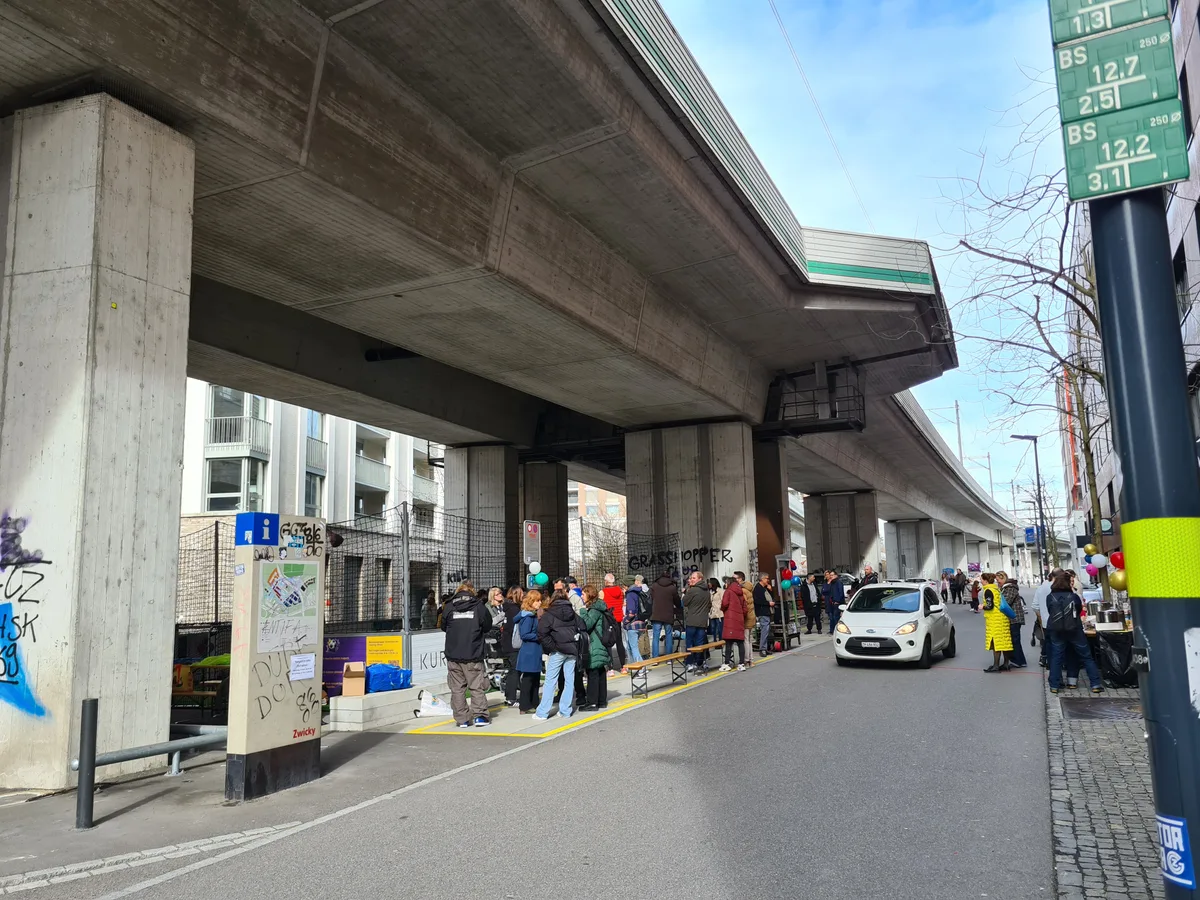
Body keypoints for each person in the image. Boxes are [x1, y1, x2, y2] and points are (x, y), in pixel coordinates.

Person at [440, 580, 495, 728]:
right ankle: (480, 717)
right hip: (473, 652)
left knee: (457, 689)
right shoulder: (478, 606)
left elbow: (443, 626)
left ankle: (462, 719)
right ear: (472, 592)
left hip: (453, 654)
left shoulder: (449, 606)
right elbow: (487, 625)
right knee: (476, 686)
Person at [1045, 570, 1104, 694]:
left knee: (1056, 657)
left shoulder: (1050, 597)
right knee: (1086, 657)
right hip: (1074, 629)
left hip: (1056, 630)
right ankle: (1095, 684)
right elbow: (1077, 610)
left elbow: (1050, 611)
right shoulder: (1073, 597)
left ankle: (1054, 686)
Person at [534, 590, 581, 720]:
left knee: (550, 681)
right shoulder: (572, 612)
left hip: (558, 649)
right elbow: (582, 625)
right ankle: (565, 710)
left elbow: (541, 632)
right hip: (571, 648)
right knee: (569, 680)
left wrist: (551, 647)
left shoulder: (549, 613)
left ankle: (543, 712)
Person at [579, 585, 612, 711]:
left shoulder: (594, 609)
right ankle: (601, 700)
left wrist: (582, 611)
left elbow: (587, 625)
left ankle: (592, 702)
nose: (582, 596)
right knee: (600, 671)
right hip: (600, 642)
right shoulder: (599, 607)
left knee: (592, 671)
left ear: (589, 595)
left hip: (594, 644)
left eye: (583, 594)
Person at [513, 590, 544, 713]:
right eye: (537, 600)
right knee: (528, 679)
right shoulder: (528, 617)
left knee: (534, 679)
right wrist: (539, 636)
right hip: (530, 650)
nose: (540, 602)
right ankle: (525, 705)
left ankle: (533, 702)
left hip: (533, 650)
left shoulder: (530, 615)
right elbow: (525, 634)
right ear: (531, 602)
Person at [979, 572, 1013, 672]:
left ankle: (996, 665)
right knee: (1004, 643)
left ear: (985, 580)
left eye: (981, 579)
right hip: (1002, 618)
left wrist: (982, 606)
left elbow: (990, 606)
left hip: (995, 619)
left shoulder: (988, 590)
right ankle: (1006, 664)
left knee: (996, 643)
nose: (980, 581)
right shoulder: (996, 589)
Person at [682, 571, 712, 672]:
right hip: (702, 621)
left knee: (690, 643)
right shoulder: (707, 591)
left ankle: (690, 662)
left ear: (700, 579)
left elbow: (684, 602)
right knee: (700, 643)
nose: (691, 579)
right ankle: (699, 662)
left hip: (692, 620)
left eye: (694, 578)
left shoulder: (692, 590)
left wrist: (685, 593)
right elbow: (709, 605)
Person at [996, 571, 1027, 668]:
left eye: (998, 580)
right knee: (1015, 639)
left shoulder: (1009, 588)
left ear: (1003, 578)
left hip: (1014, 618)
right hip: (1014, 617)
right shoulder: (1008, 587)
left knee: (1015, 640)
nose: (997, 583)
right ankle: (1019, 660)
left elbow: (1006, 602)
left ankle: (1018, 661)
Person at [501, 586, 524, 707]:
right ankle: (511, 697)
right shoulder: (514, 610)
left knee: (512, 670)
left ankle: (510, 695)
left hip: (507, 643)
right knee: (515, 670)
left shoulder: (506, 608)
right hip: (513, 644)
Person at [719, 576, 748, 670]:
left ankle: (727, 663)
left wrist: (723, 610)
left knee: (729, 642)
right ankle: (741, 664)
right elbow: (745, 607)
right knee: (740, 642)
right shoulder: (740, 592)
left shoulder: (728, 591)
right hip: (739, 619)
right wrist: (741, 615)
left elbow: (724, 604)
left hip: (730, 619)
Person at [649, 572, 680, 657]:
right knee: (669, 635)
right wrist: (679, 607)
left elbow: (650, 599)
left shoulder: (654, 586)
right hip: (668, 614)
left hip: (656, 614)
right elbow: (677, 601)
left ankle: (655, 658)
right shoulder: (672, 587)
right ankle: (669, 658)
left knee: (656, 637)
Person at [602, 573, 627, 673]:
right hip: (618, 619)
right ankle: (623, 666)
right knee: (619, 642)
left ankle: (610, 668)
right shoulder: (620, 592)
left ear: (606, 582)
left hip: (608, 620)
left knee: (608, 643)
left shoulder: (603, 592)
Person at [623, 577, 645, 666]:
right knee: (631, 647)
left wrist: (625, 621)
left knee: (633, 648)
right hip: (641, 622)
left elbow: (631, 612)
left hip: (633, 624)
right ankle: (635, 666)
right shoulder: (639, 592)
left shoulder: (630, 594)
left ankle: (640, 668)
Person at [753, 573, 775, 657]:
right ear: (762, 579)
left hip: (767, 611)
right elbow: (758, 601)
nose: (768, 580)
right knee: (764, 631)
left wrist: (770, 590)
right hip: (762, 612)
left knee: (767, 630)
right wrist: (768, 603)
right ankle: (762, 649)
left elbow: (770, 597)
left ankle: (765, 648)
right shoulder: (758, 589)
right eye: (766, 578)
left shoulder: (764, 588)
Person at [738, 571, 755, 666]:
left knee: (745, 639)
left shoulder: (742, 590)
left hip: (746, 617)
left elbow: (743, 605)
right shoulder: (749, 588)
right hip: (751, 615)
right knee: (749, 639)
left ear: (740, 579)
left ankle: (747, 659)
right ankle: (750, 659)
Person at [822, 569, 845, 636]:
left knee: (836, 617)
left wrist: (838, 601)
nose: (831, 576)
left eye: (832, 575)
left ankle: (837, 631)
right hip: (832, 602)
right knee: (833, 617)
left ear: (836, 575)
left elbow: (841, 593)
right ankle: (833, 630)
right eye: (830, 575)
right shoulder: (832, 583)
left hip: (837, 603)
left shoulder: (838, 582)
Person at [707, 576, 724, 644]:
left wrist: (720, 608)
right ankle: (714, 641)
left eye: (710, 583)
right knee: (713, 628)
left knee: (720, 629)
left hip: (719, 613)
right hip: (712, 613)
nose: (708, 584)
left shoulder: (720, 591)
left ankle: (720, 642)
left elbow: (723, 601)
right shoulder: (710, 592)